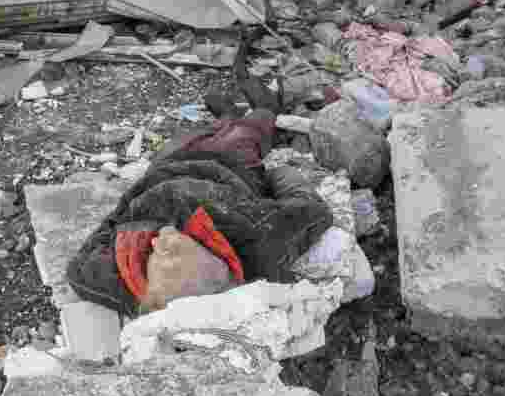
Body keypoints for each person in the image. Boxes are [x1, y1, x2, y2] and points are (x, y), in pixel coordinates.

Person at [66, 79, 333, 317]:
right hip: (229, 164)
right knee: (245, 135)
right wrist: (278, 174)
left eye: (157, 255)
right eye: (178, 249)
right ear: (224, 260)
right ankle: (265, 109)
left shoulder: (106, 277)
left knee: (192, 137)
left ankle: (227, 116)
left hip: (164, 166)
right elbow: (314, 211)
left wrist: (126, 214)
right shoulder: (259, 237)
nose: (164, 236)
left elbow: (88, 255)